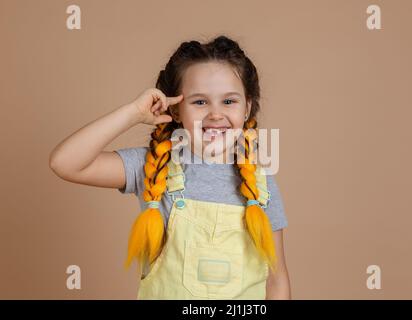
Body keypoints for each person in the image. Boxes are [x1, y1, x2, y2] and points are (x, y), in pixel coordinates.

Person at [49, 35, 291, 299]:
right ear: (176, 111)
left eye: (229, 101)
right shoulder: (152, 167)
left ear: (247, 109)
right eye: (200, 102)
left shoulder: (261, 185)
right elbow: (65, 163)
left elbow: (276, 281)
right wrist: (133, 113)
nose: (215, 114)